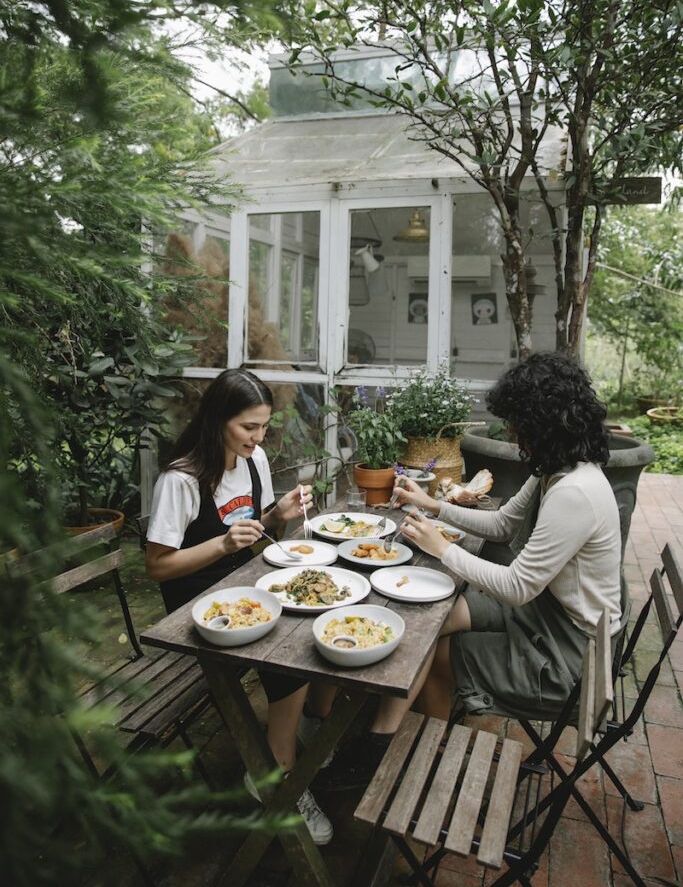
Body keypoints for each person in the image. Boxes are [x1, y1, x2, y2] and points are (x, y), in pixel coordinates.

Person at [318, 352, 622, 790]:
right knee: (431, 620)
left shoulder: (575, 492)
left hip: (570, 657)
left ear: (542, 423)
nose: (511, 431)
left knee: (434, 650)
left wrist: (441, 548)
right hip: (550, 614)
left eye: (517, 421)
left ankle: (412, 757)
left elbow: (517, 586)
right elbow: (501, 524)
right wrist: (432, 505)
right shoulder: (557, 469)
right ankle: (386, 737)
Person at [145, 368, 333, 844]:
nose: (259, 436)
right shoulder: (182, 478)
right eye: (248, 426)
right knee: (289, 654)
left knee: (314, 616)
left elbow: (260, 533)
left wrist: (279, 515)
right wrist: (224, 547)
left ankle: (292, 737)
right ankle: (277, 774)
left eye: (264, 425)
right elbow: (159, 567)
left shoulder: (255, 461)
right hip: (196, 605)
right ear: (218, 420)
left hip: (243, 584)